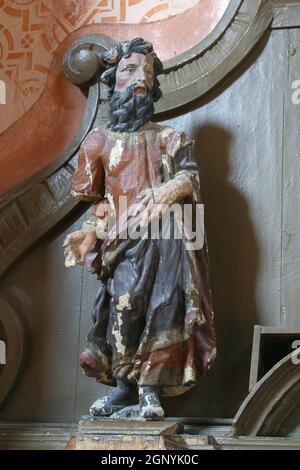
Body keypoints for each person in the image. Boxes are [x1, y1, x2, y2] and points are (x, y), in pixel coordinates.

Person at [64, 37, 216, 420]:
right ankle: (122, 388)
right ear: (113, 79)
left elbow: (190, 180)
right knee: (123, 306)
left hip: (167, 240)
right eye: (130, 70)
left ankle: (150, 390)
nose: (140, 79)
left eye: (147, 71)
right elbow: (96, 199)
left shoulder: (172, 139)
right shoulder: (98, 142)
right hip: (121, 241)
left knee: (166, 306)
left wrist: (168, 189)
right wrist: (90, 230)